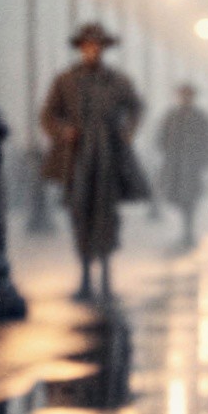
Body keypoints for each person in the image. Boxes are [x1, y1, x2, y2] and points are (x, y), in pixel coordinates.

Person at [40, 21, 148, 302]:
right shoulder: (65, 81)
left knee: (106, 215)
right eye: (88, 46)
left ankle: (106, 278)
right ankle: (86, 278)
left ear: (103, 49)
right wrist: (64, 132)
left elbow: (136, 107)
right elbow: (49, 115)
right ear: (81, 49)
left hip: (109, 159)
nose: (92, 51)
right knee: (79, 213)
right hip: (76, 159)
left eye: (97, 46)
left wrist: (127, 131)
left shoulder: (118, 81)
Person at [155, 84, 208, 250]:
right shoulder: (171, 117)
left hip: (193, 167)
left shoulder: (200, 118)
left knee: (191, 199)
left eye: (188, 95)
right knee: (177, 197)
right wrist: (170, 154)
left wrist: (203, 159)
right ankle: (186, 228)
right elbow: (161, 139)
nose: (185, 98)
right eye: (183, 95)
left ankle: (188, 230)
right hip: (175, 167)